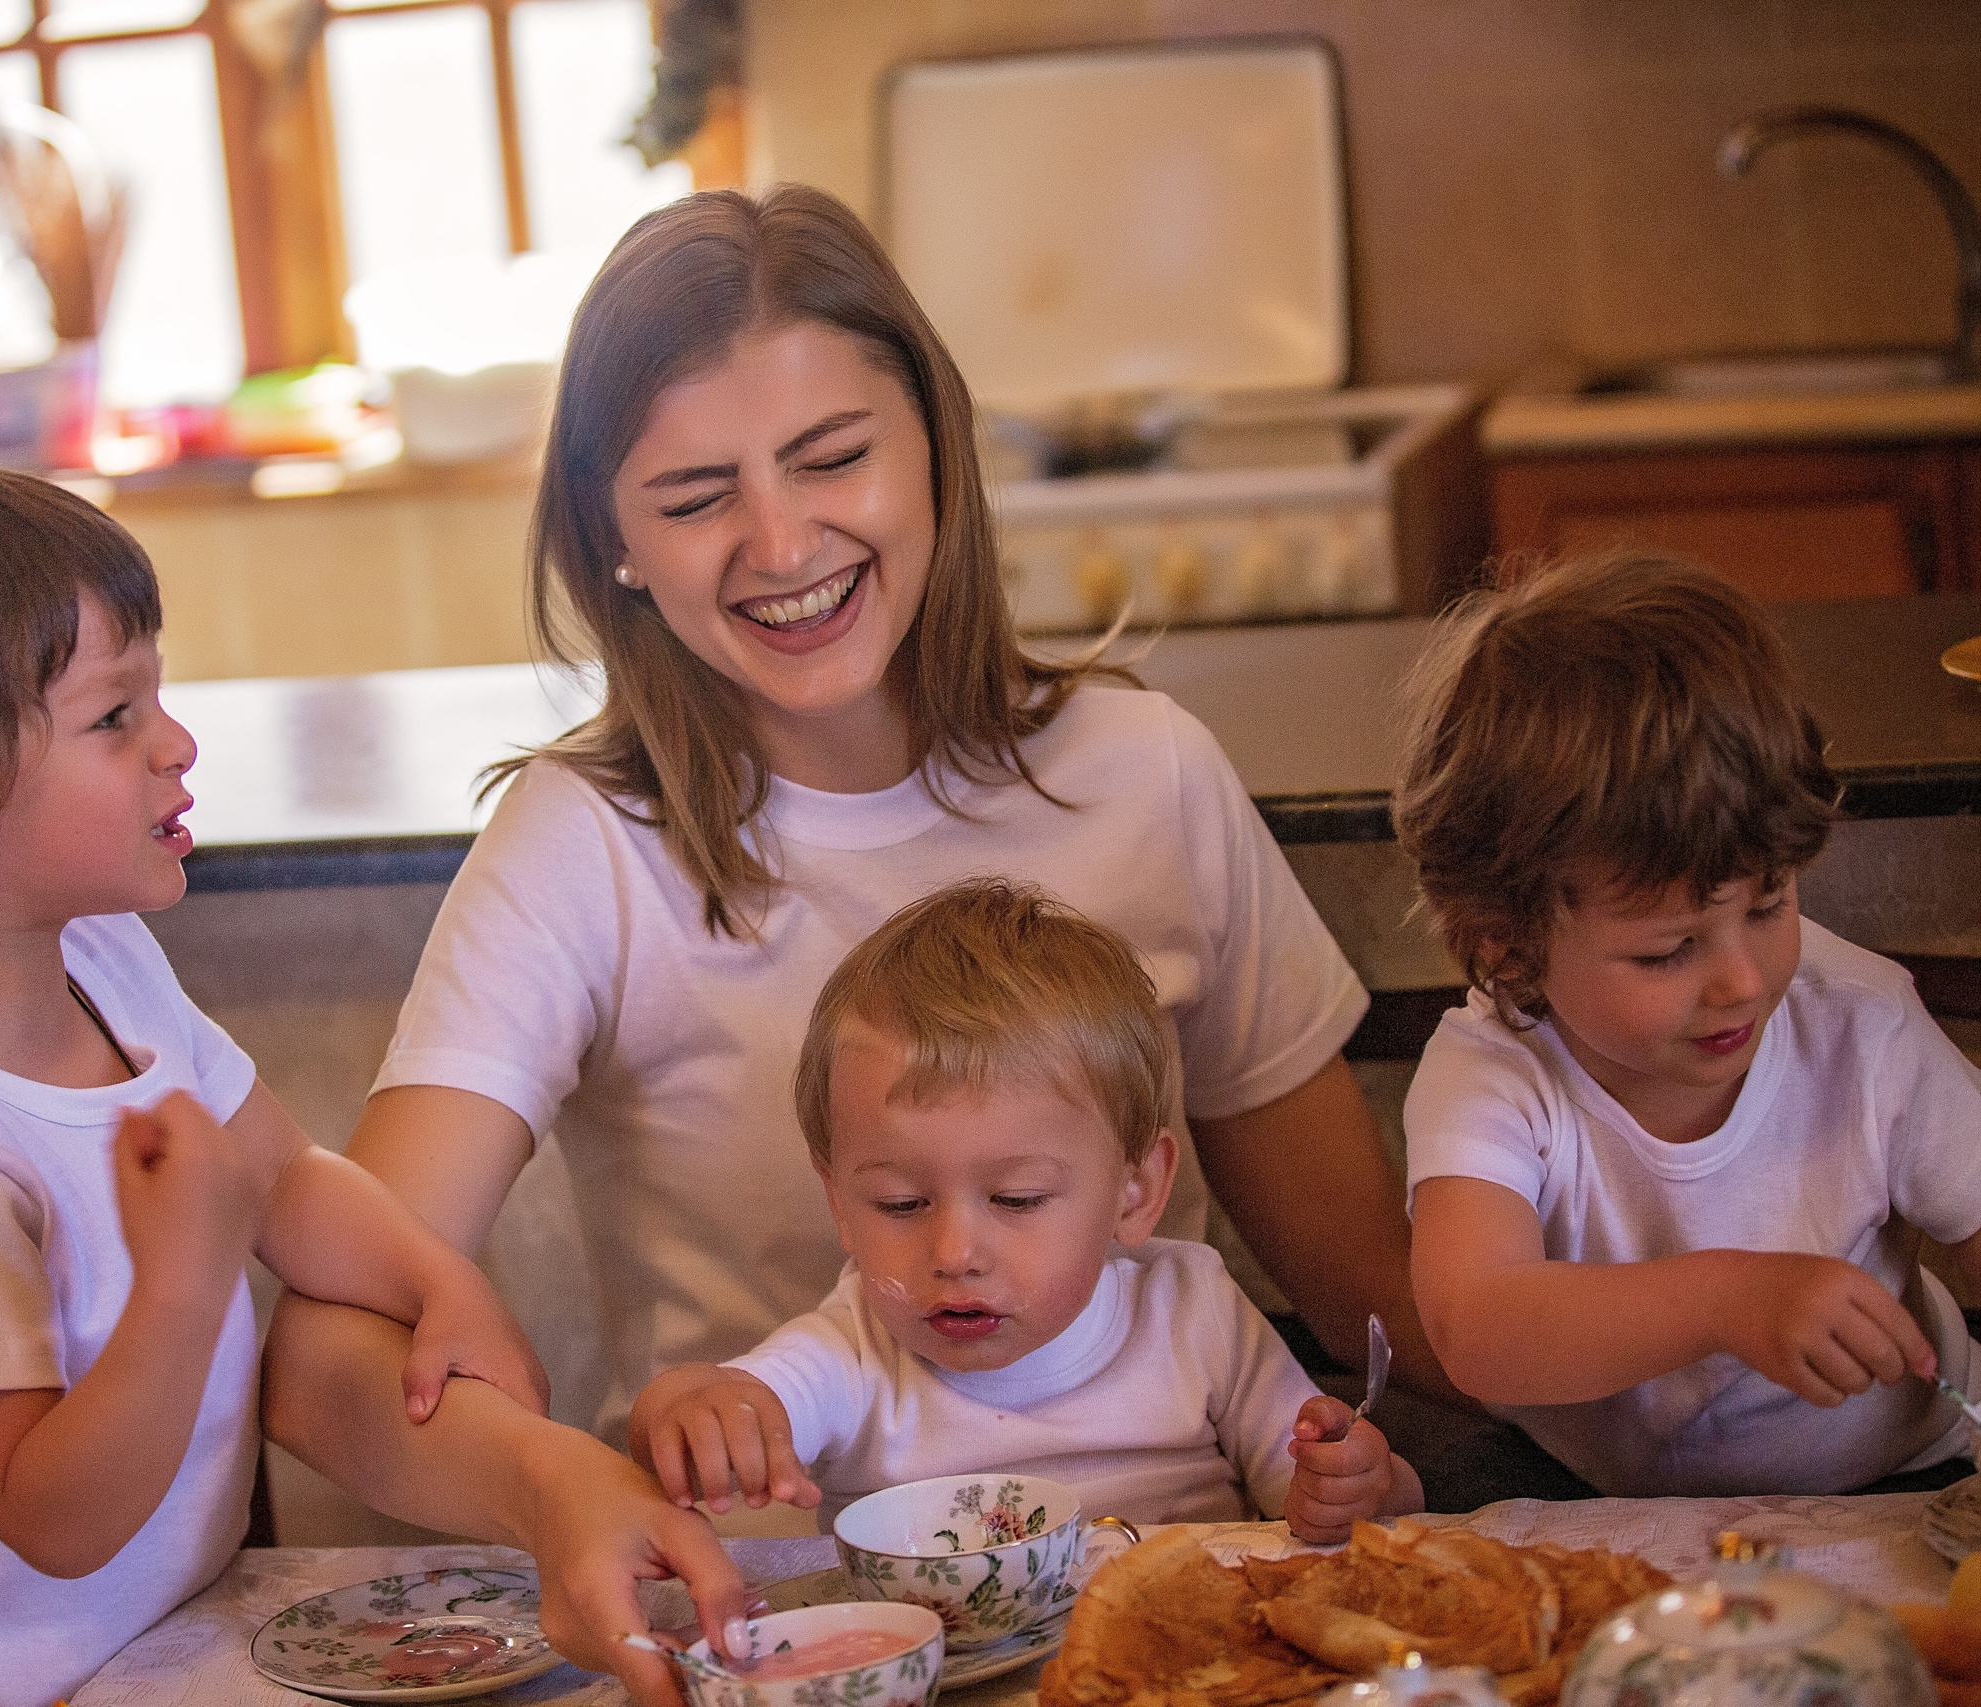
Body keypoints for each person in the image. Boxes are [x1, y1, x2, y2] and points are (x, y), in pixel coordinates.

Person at [265, 184, 1438, 1707]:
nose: (780, 540)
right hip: (785, 1632)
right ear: (609, 541)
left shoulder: (1144, 776)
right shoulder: (584, 844)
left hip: (1158, 1639)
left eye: (833, 458)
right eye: (693, 497)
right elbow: (323, 1358)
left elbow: (1380, 1305)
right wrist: (548, 1482)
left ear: (938, 448)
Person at [0, 464, 543, 1707]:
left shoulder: (100, 958)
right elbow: (52, 1516)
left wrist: (436, 1282)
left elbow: (283, 1175)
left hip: (173, 1637)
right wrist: (185, 1286)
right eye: (113, 717)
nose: (176, 745)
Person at [1395, 551, 1981, 1498]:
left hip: (1895, 1484)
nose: (1743, 979)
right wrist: (1728, 1296)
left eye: (1770, 902)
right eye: (1668, 951)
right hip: (1598, 1496)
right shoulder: (1494, 1073)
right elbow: (1477, 1325)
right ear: (1508, 946)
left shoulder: (1860, 1025)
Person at [629, 880, 1420, 1543]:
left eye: (1017, 1199)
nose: (956, 1249)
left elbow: (1314, 1494)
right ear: (839, 1200)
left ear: (1134, 1193)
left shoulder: (1193, 1309)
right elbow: (726, 1403)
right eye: (900, 1203)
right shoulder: (852, 1351)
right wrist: (690, 1411)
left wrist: (1352, 1478)